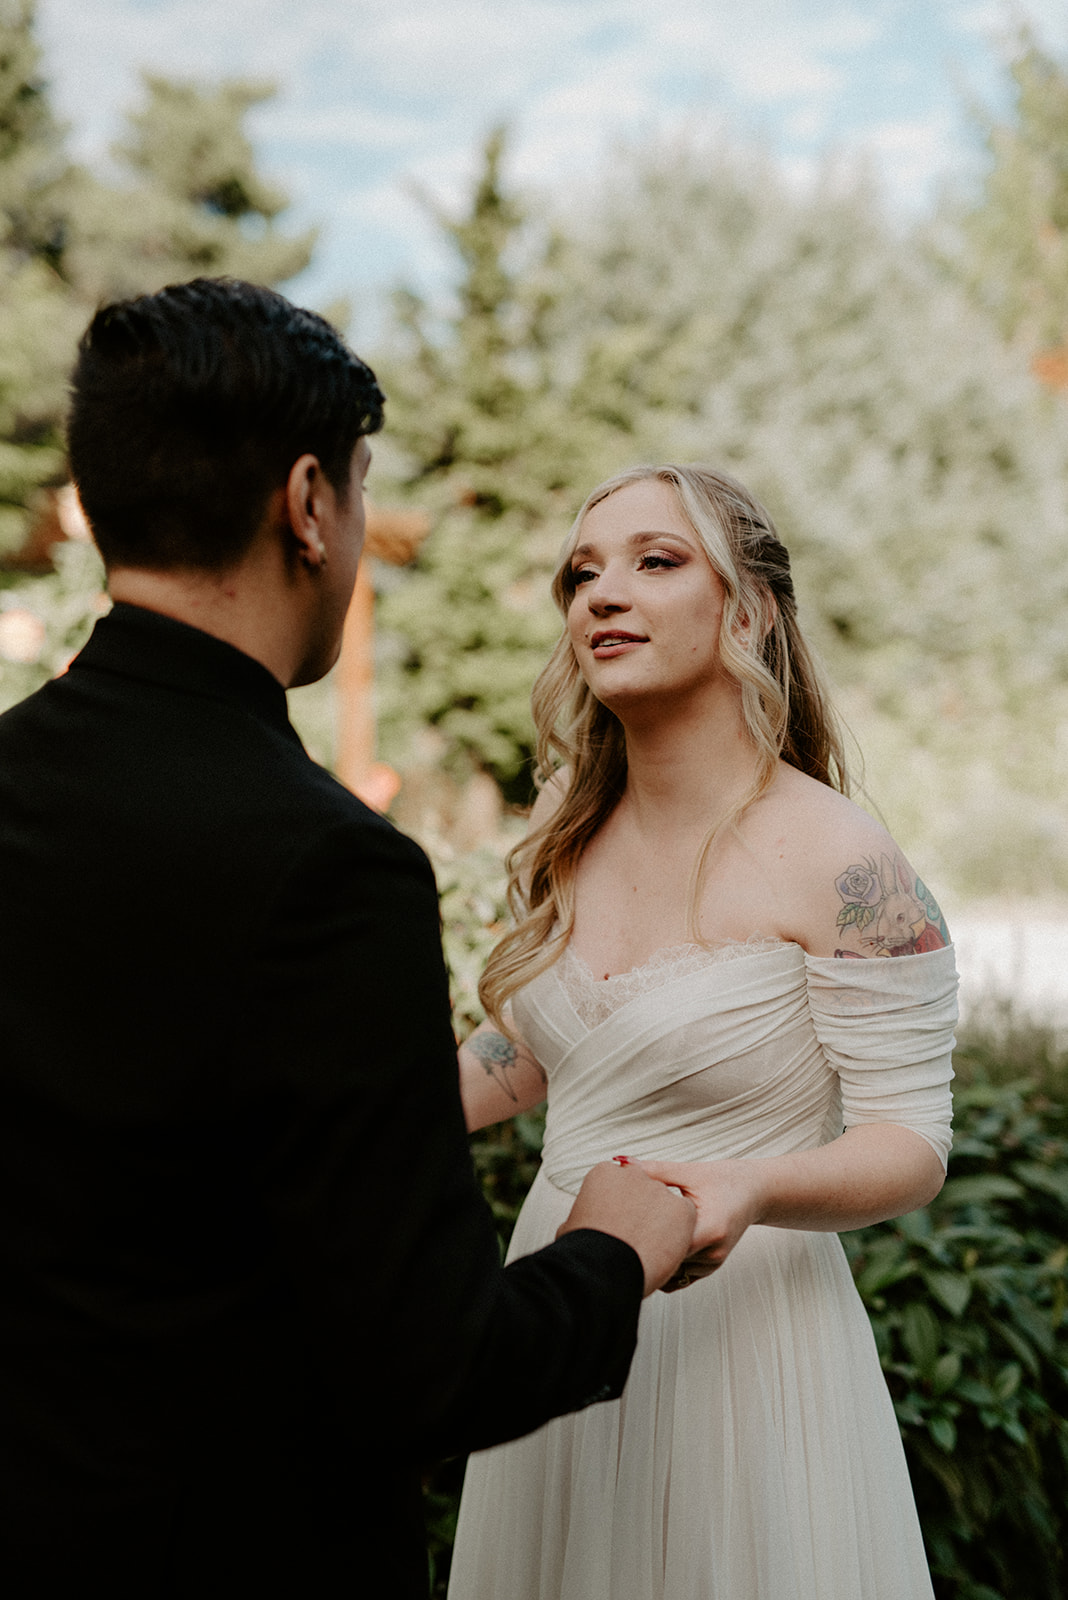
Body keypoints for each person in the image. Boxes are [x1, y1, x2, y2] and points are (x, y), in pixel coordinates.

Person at [0, 280, 697, 1599]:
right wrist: (617, 1251)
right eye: (365, 493)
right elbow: (431, 1369)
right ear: (309, 504)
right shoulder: (328, 867)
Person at [449, 463, 957, 1600]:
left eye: (654, 561)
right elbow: (530, 1053)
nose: (600, 595)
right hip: (560, 1305)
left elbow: (912, 1140)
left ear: (750, 609)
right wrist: (362, 1115)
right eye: (583, 572)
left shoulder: (844, 861)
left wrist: (747, 1190)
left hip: (745, 1337)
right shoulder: (564, 832)